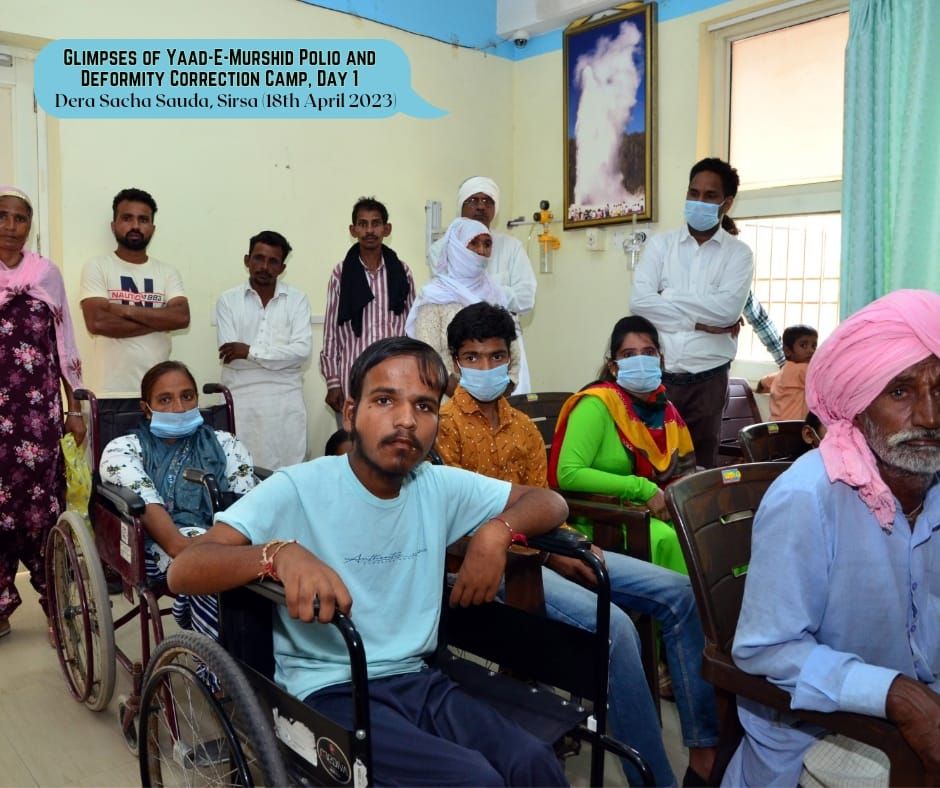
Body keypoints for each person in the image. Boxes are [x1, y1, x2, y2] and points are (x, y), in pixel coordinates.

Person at [168, 336, 569, 786]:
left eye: (424, 406)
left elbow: (549, 502)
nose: (405, 421)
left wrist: (496, 533)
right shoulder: (298, 487)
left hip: (419, 677)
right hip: (329, 690)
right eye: (384, 400)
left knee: (533, 762)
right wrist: (277, 555)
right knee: (476, 780)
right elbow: (185, 568)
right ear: (351, 412)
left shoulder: (435, 484)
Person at [436, 302, 719, 786]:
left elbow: (543, 503)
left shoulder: (523, 427)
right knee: (619, 630)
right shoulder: (444, 426)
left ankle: (704, 751)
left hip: (548, 550)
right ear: (456, 362)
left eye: (496, 357)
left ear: (511, 360)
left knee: (679, 594)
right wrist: (554, 555)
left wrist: (570, 549)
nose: (486, 368)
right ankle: (650, 780)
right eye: (473, 357)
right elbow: (459, 521)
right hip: (494, 567)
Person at [725, 289, 940, 785]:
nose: (930, 417)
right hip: (815, 730)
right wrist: (895, 694)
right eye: (901, 393)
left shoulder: (930, 483)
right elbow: (765, 651)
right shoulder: (809, 497)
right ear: (858, 404)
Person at [100, 361, 255, 638]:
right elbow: (174, 544)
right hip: (160, 546)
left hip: (228, 539)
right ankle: (218, 672)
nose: (180, 408)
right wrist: (210, 557)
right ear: (146, 408)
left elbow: (246, 508)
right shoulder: (123, 450)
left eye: (187, 396)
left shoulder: (225, 444)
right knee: (213, 579)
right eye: (165, 399)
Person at [0, 186, 85, 641]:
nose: (11, 226)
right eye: (3, 217)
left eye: (20, 219)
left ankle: (59, 609)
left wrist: (76, 405)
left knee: (42, 511)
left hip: (36, 417)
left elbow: (64, 338)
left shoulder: (46, 274)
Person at [630, 157, 754, 468]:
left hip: (708, 382)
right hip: (658, 379)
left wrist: (667, 296)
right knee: (652, 466)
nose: (699, 201)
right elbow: (640, 302)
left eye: (710, 196)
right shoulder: (661, 246)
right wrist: (699, 321)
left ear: (726, 204)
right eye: (693, 192)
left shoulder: (739, 254)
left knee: (701, 472)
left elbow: (727, 311)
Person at [551, 314, 696, 575]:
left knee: (712, 530)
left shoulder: (666, 410)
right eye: (629, 355)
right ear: (614, 367)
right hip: (604, 518)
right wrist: (641, 489)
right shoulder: (597, 404)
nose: (640, 360)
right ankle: (681, 615)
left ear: (660, 360)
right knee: (669, 541)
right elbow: (568, 473)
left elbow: (682, 472)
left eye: (648, 352)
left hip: (657, 510)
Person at [428, 176, 537, 393]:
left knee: (510, 413)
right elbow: (451, 293)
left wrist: (487, 289)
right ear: (461, 206)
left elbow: (526, 298)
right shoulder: (441, 249)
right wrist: (496, 293)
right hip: (462, 344)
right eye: (473, 200)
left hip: (503, 344)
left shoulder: (511, 247)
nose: (480, 206)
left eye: (488, 201)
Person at [80, 188, 189, 402]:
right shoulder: (97, 266)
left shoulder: (167, 272)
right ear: (113, 225)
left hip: (160, 394)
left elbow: (181, 318)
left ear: (153, 228)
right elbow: (98, 323)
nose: (135, 226)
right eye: (127, 218)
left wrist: (124, 310)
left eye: (143, 219)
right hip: (110, 393)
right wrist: (160, 320)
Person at [215, 230, 312, 469]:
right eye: (258, 258)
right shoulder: (227, 301)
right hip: (240, 397)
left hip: (285, 400)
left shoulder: (297, 300)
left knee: (288, 473)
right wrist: (281, 358)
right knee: (238, 469)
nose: (264, 267)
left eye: (273, 261)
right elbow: (230, 356)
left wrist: (249, 351)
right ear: (247, 260)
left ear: (282, 267)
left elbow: (301, 351)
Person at [319, 197, 415, 420]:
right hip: (353, 378)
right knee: (355, 446)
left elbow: (412, 328)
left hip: (396, 377)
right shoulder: (340, 274)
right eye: (363, 224)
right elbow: (332, 332)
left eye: (376, 223)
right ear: (353, 230)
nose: (370, 230)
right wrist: (333, 382)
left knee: (392, 444)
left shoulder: (403, 271)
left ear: (387, 228)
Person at [407, 217, 521, 396]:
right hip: (448, 406)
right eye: (473, 243)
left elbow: (513, 354)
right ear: (456, 247)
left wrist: (499, 396)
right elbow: (429, 360)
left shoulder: (496, 294)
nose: (481, 251)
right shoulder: (434, 297)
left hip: (496, 405)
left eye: (487, 244)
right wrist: (466, 402)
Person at [757, 324, 818, 420]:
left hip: (775, 425)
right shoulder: (803, 370)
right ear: (787, 350)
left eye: (814, 346)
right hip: (792, 428)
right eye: (803, 345)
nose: (811, 350)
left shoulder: (783, 372)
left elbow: (762, 382)